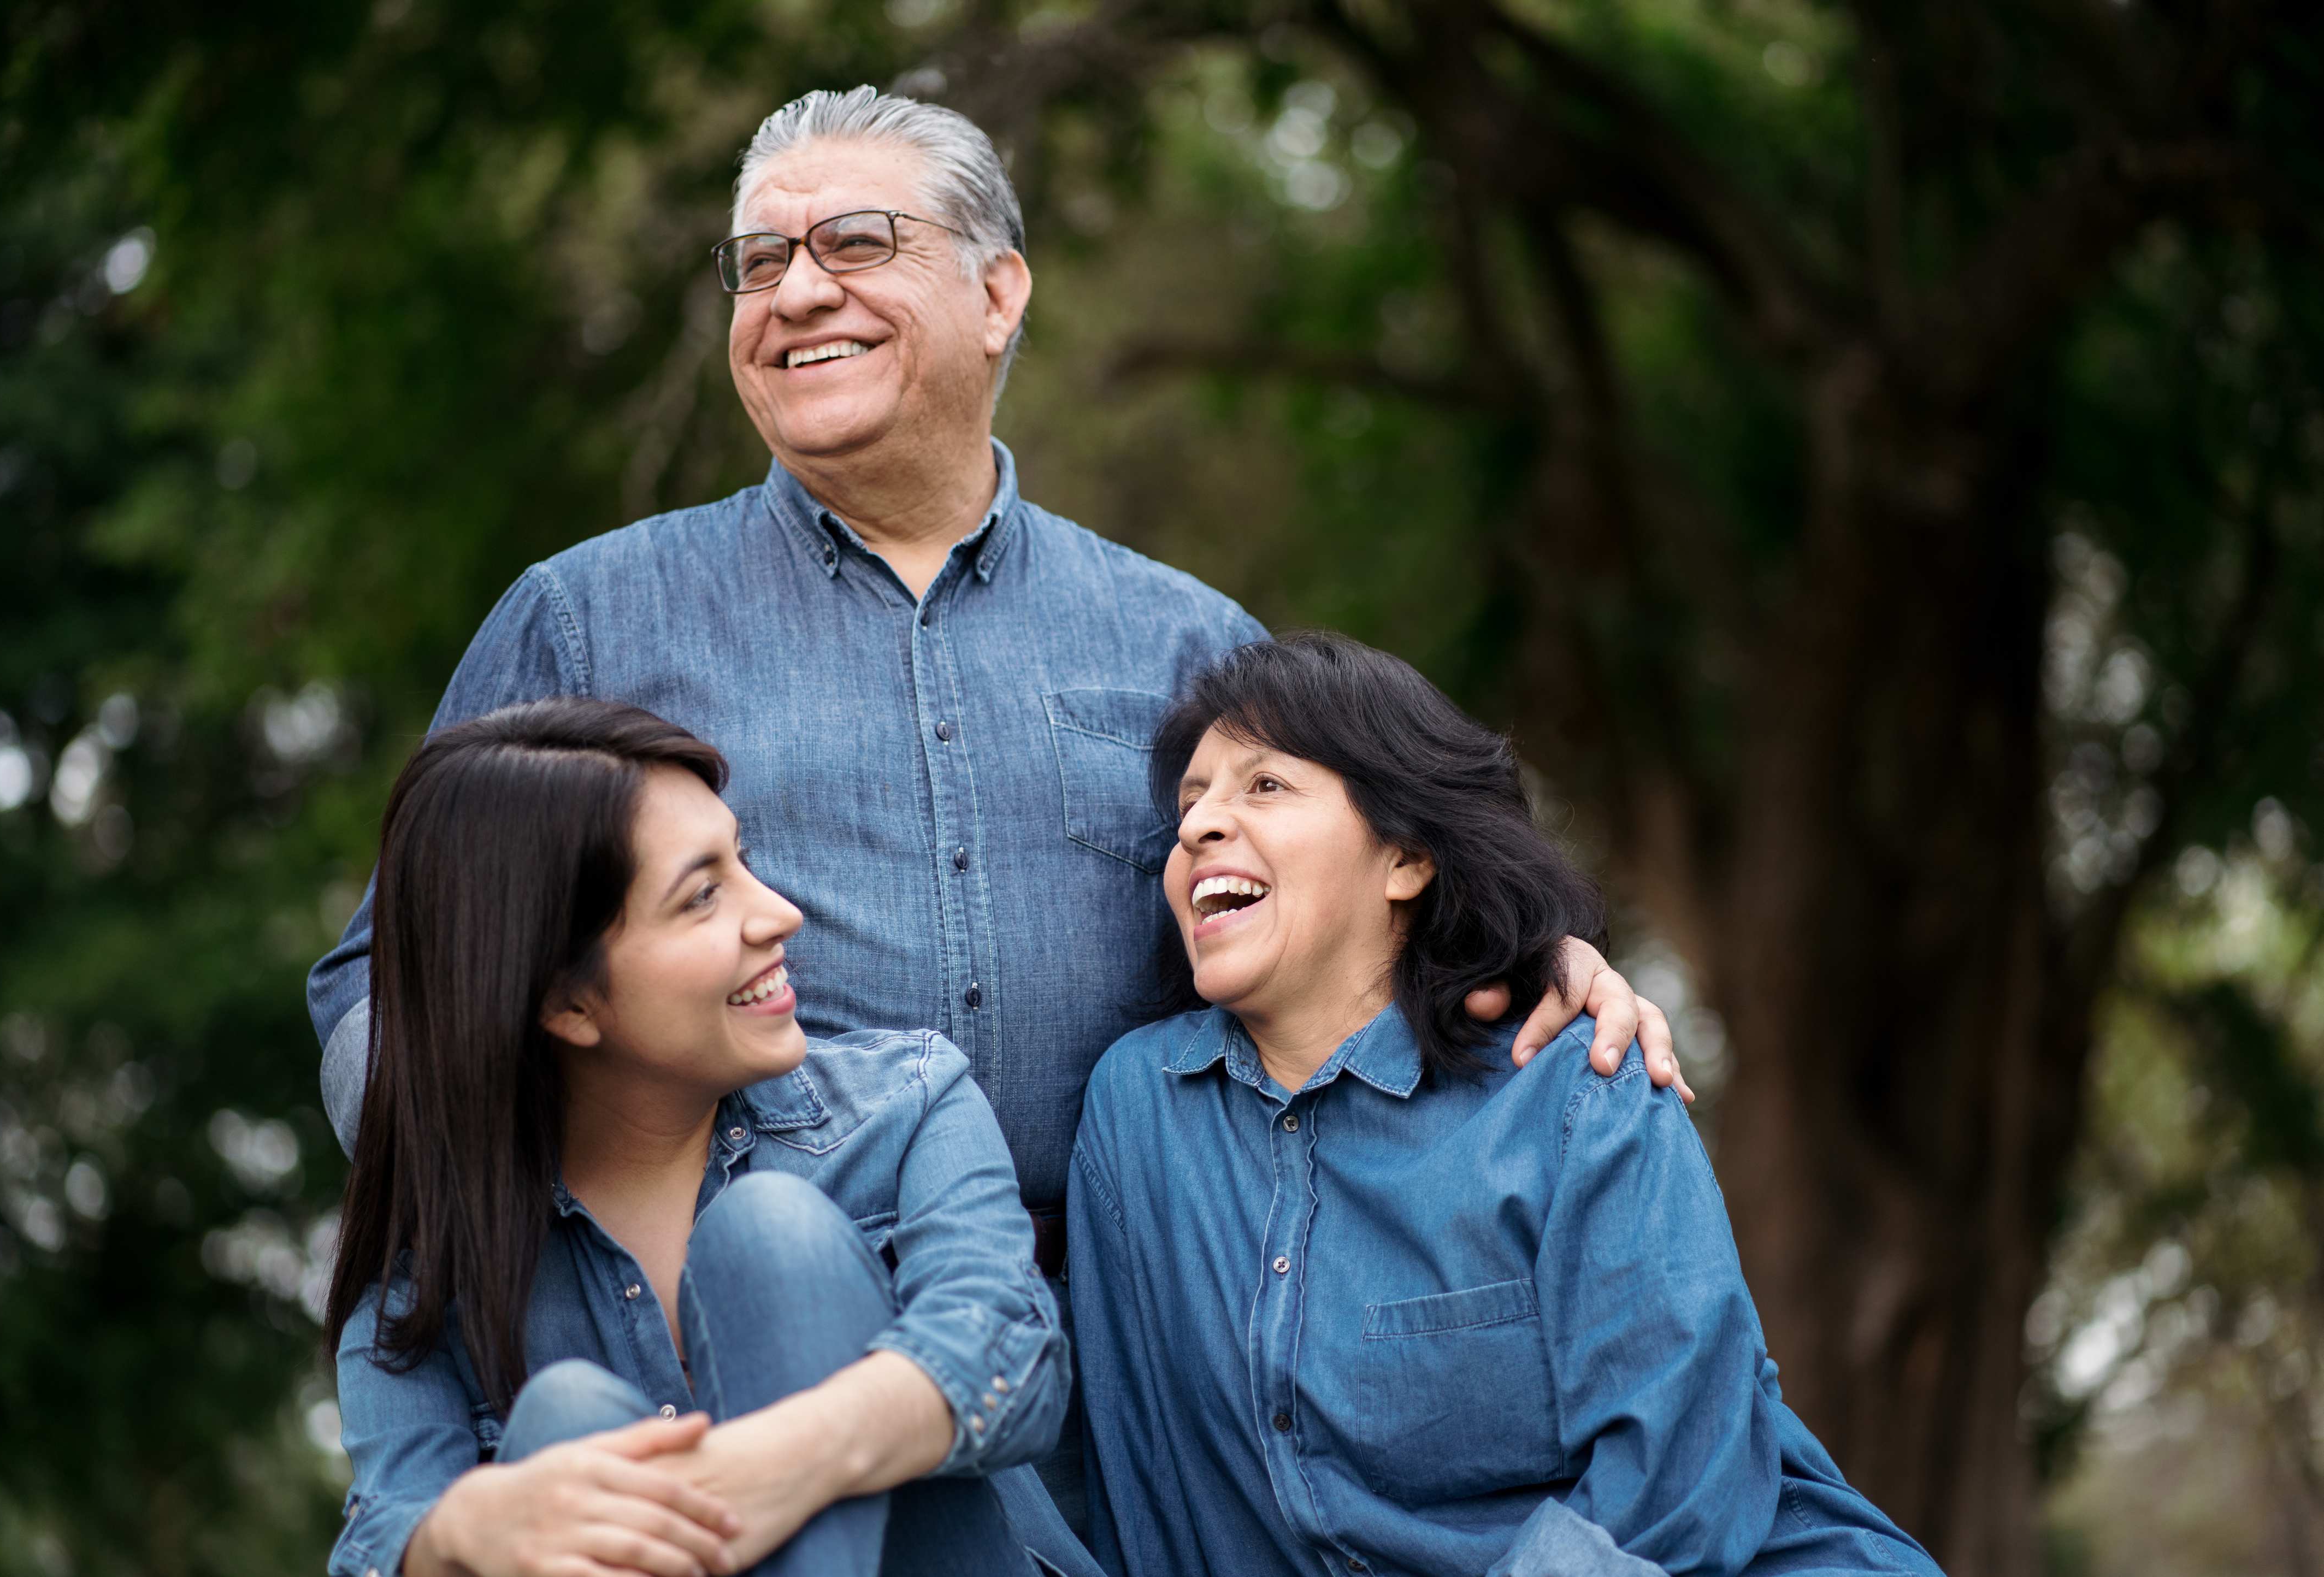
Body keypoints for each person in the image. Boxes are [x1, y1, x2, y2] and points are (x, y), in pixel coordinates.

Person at [308, 85, 1685, 1520]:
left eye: (854, 241)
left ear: (997, 292)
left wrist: (1518, 959)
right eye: (760, 261)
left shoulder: (1182, 642)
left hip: (1128, 1367)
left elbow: (1331, 933)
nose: (797, 292)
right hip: (705, 1343)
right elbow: (391, 979)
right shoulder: (587, 620)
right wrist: (548, 1223)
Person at [1069, 635, 1942, 1577]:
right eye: (1191, 802)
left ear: (1405, 858)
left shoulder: (1574, 1088)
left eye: (1265, 786)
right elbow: (1147, 1485)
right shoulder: (1140, 1109)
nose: (1199, 825)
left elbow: (1677, 1477)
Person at [325, 698, 1100, 1577]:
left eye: (743, 862)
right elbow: (379, 1536)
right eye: (701, 897)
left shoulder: (905, 1104)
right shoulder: (429, 1275)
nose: (777, 914)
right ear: (566, 1002)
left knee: (770, 1236)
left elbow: (1011, 1360)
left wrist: (780, 1463)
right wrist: (459, 1532)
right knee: (563, 1418)